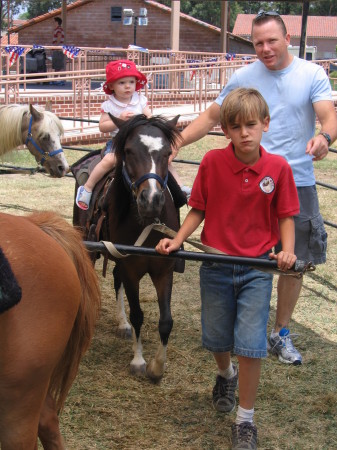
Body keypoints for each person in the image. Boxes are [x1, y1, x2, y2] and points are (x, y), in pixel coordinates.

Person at [174, 11, 337, 365]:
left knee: (294, 262)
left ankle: (280, 332)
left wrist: (325, 137)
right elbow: (212, 117)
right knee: (246, 258)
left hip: (296, 178)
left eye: (271, 41)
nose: (265, 48)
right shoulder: (243, 76)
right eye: (258, 42)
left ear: (287, 39)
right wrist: (176, 142)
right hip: (245, 178)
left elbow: (328, 115)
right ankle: (242, 328)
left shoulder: (311, 73)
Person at [156, 87, 299, 450]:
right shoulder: (212, 164)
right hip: (216, 265)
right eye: (235, 126)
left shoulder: (278, 168)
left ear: (265, 124)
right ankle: (225, 374)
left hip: (256, 270)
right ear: (225, 130)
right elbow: (199, 209)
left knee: (250, 345)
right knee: (217, 338)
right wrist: (177, 239)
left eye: (251, 124)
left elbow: (285, 216)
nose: (244, 133)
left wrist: (287, 252)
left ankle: (245, 422)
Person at [76, 59, 190, 210]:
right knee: (109, 160)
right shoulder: (109, 105)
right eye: (121, 83)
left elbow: (150, 116)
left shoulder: (140, 100)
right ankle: (88, 188)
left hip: (141, 142)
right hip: (120, 142)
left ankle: (180, 186)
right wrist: (120, 119)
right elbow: (102, 126)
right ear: (111, 86)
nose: (128, 86)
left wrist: (157, 127)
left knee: (163, 160)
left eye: (131, 81)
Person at [51, 17, 65, 86]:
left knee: (58, 65)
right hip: (58, 49)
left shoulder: (58, 29)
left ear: (57, 22)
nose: (53, 23)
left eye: (54, 22)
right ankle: (55, 80)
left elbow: (59, 37)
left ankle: (61, 80)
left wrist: (56, 46)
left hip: (58, 50)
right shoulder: (58, 29)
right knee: (57, 66)